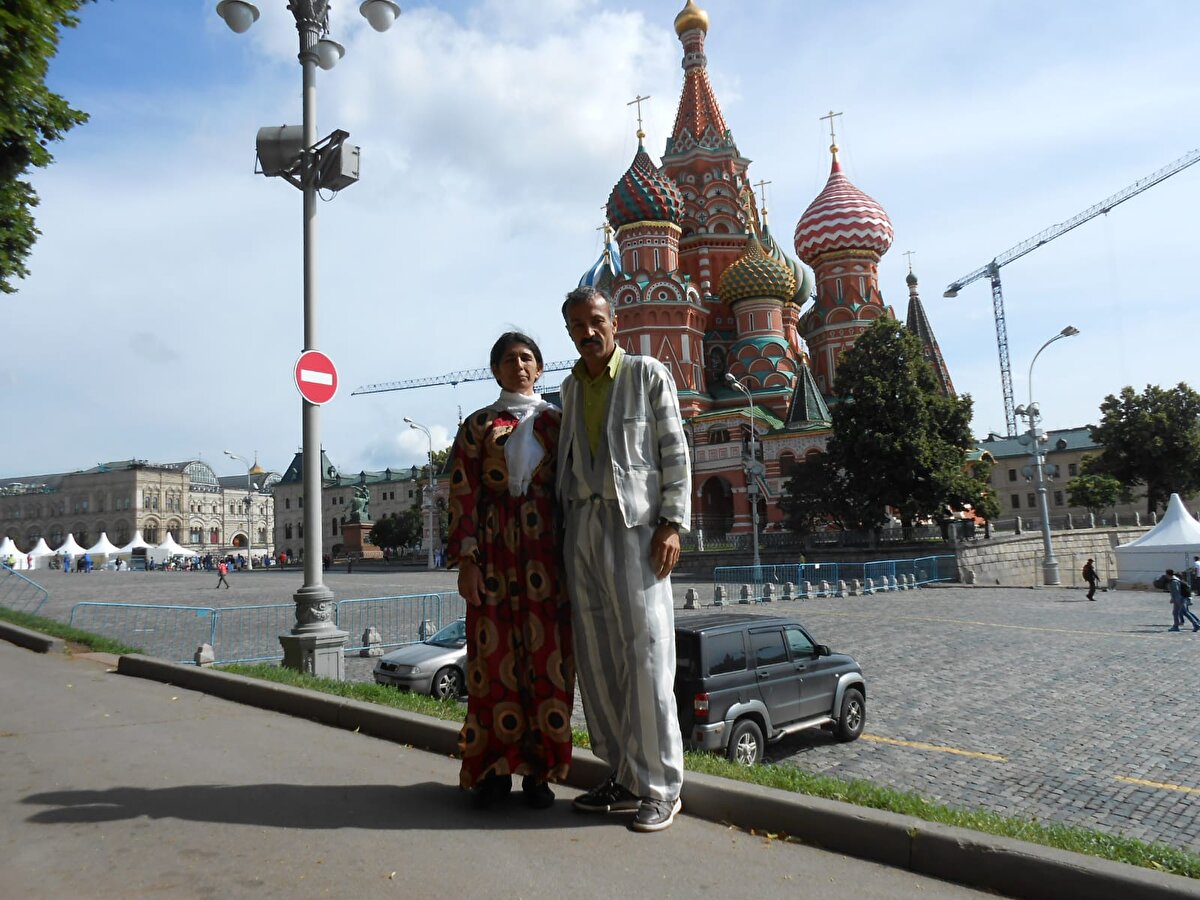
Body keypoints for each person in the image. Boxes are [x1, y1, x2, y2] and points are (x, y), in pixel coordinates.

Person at [556, 286, 690, 833]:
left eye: (595, 322)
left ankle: (661, 787)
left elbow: (675, 450)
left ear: (613, 323)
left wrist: (672, 523)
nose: (588, 334)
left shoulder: (646, 374)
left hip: (636, 527)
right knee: (597, 655)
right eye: (576, 327)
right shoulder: (568, 387)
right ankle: (621, 775)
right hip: (582, 528)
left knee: (646, 652)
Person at [446, 331, 574, 810]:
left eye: (527, 358)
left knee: (549, 665)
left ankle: (540, 774)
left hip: (547, 555)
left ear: (539, 369)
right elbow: (463, 493)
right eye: (508, 359)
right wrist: (467, 563)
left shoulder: (560, 422)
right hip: (495, 554)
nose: (519, 366)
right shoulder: (479, 425)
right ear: (495, 370)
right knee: (491, 666)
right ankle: (493, 769)